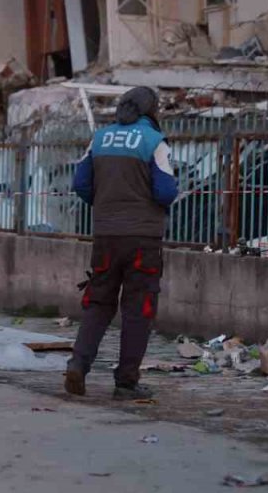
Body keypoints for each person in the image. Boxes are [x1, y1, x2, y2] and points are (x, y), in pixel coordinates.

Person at [64, 86, 177, 400]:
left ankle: (78, 364)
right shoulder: (155, 142)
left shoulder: (99, 139)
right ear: (151, 111)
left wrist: (103, 205)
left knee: (99, 303)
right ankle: (126, 382)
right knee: (138, 309)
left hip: (105, 235)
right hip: (143, 238)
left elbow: (80, 184)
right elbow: (166, 192)